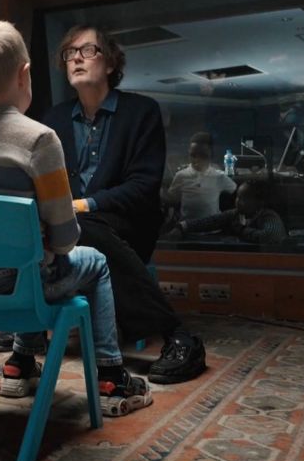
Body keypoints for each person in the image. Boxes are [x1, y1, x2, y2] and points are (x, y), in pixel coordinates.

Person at [0, 18, 150, 415]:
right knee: (92, 262)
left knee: (28, 256)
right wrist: (52, 240)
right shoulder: (39, 139)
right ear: (25, 75)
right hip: (21, 283)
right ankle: (111, 373)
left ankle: (18, 365)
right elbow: (67, 236)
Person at [31, 24, 206, 385]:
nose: (76, 57)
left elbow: (143, 188)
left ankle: (178, 335)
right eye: (69, 53)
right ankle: (30, 321)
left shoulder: (141, 112)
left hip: (130, 223)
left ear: (110, 63)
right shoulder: (53, 120)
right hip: (73, 226)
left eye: (87, 50)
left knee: (86, 229)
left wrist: (82, 205)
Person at [165, 180, 287, 244]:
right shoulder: (235, 215)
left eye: (244, 198)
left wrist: (241, 230)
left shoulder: (268, 216)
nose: (238, 201)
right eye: (238, 197)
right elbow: (211, 221)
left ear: (259, 202)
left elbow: (270, 236)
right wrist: (182, 226)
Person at [166, 132, 237, 222]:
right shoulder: (181, 176)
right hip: (187, 229)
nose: (197, 160)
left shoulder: (218, 176)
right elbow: (171, 199)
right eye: (193, 155)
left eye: (202, 156)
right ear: (189, 153)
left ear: (210, 156)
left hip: (212, 229)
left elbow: (235, 191)